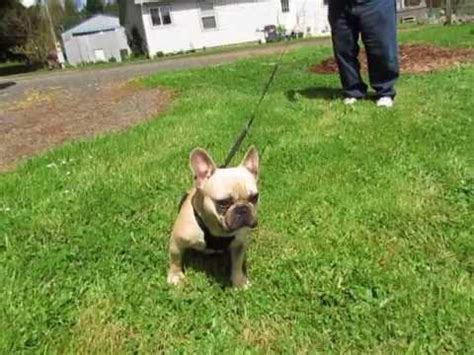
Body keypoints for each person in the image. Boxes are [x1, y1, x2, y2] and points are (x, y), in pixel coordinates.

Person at [328, 0, 399, 107]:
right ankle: (353, 90)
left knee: (381, 45)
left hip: (375, 3)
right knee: (343, 48)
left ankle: (385, 91)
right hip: (339, 5)